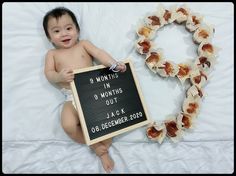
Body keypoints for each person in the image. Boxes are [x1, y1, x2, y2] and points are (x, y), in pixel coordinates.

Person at [43, 7, 126, 173]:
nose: (64, 33)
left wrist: (113, 64)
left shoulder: (83, 45)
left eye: (69, 28)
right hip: (71, 96)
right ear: (49, 37)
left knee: (109, 123)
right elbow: (49, 74)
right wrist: (59, 77)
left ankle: (103, 149)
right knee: (68, 125)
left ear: (77, 30)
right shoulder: (52, 54)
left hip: (93, 94)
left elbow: (98, 53)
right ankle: (94, 145)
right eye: (57, 31)